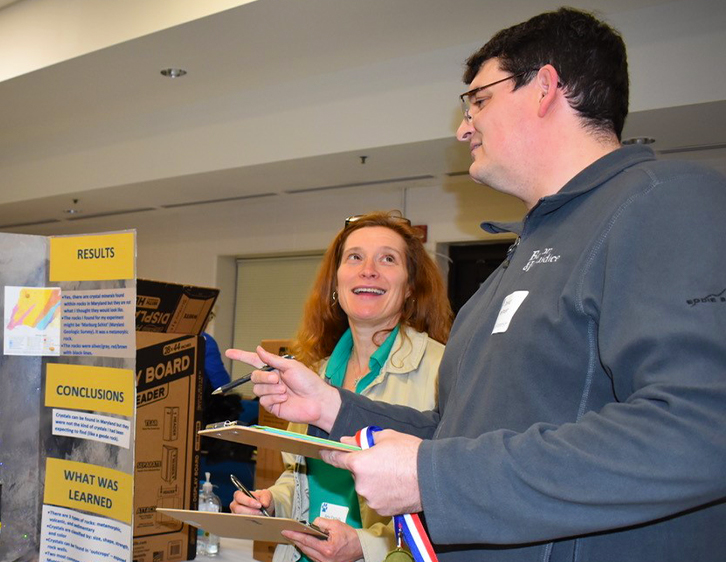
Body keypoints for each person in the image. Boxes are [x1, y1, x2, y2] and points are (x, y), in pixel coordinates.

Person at [230, 8, 726, 561]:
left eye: (479, 99)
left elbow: (702, 425)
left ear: (544, 86)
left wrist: (432, 478)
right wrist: (332, 408)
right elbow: (454, 430)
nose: (465, 126)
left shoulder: (662, 201)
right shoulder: (516, 264)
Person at [229, 211, 452, 562]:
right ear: (335, 283)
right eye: (355, 257)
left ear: (411, 286)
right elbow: (299, 473)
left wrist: (365, 545)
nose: (368, 270)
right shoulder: (315, 374)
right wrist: (273, 503)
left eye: (388, 259)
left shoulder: (444, 369)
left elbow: (450, 496)